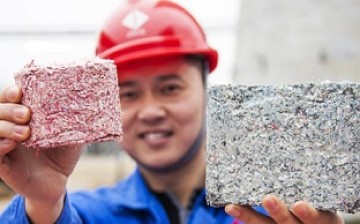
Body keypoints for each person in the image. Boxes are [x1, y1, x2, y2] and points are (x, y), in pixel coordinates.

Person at [0, 0, 345, 223]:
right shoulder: (80, 213)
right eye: (128, 93)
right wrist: (42, 204)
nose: (150, 110)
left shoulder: (270, 211)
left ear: (207, 91)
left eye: (170, 88)